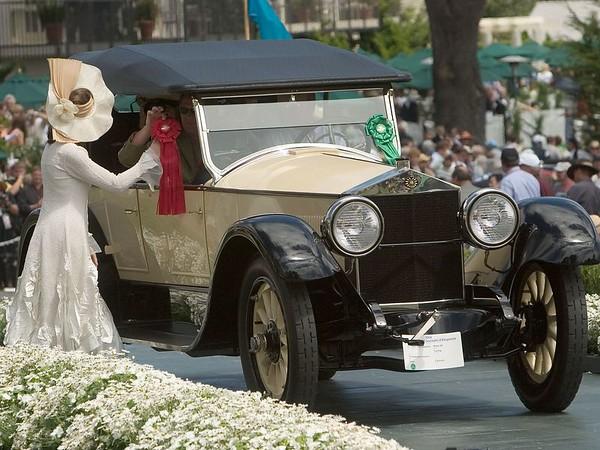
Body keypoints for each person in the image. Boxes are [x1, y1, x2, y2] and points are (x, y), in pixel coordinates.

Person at [3, 58, 159, 353]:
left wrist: (87, 242)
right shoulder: (72, 154)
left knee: (53, 295)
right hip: (66, 230)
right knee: (72, 291)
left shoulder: (51, 150)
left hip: (54, 228)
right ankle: (73, 352)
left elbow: (66, 199)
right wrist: (149, 158)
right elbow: (115, 183)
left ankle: (54, 352)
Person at [118, 95, 208, 185]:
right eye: (184, 111)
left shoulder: (216, 135)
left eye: (194, 111)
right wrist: (149, 128)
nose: (188, 116)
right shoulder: (169, 140)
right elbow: (127, 159)